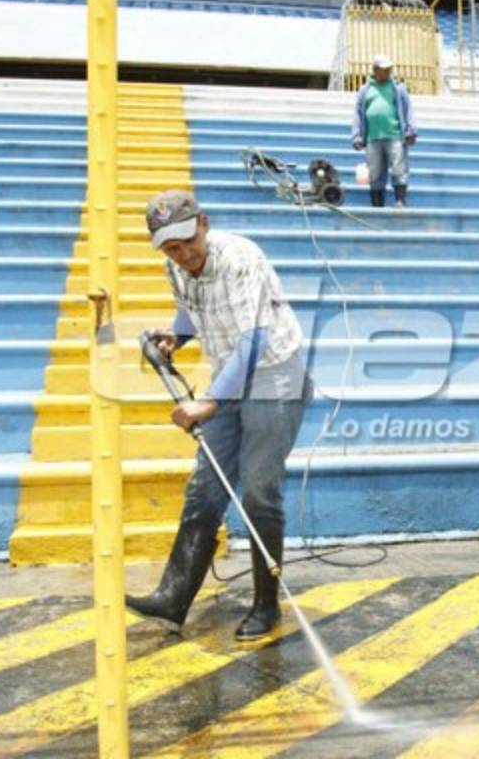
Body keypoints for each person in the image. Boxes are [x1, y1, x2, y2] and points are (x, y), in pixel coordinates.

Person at [126, 189, 312, 641]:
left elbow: (254, 342)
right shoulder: (175, 265)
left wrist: (209, 401)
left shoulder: (240, 260)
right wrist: (176, 337)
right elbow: (192, 311)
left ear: (203, 223)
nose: (184, 254)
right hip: (229, 371)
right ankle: (173, 597)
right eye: (171, 247)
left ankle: (266, 606)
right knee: (206, 487)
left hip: (274, 375)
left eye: (189, 241)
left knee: (258, 491)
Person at [351, 54, 417, 208]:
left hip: (394, 135)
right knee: (375, 171)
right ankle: (377, 203)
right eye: (384, 69)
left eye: (389, 69)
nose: (387, 72)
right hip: (373, 137)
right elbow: (358, 114)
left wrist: (411, 131)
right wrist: (356, 136)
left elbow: (408, 111)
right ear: (375, 70)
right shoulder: (365, 90)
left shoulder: (398, 88)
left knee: (398, 169)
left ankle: (400, 200)